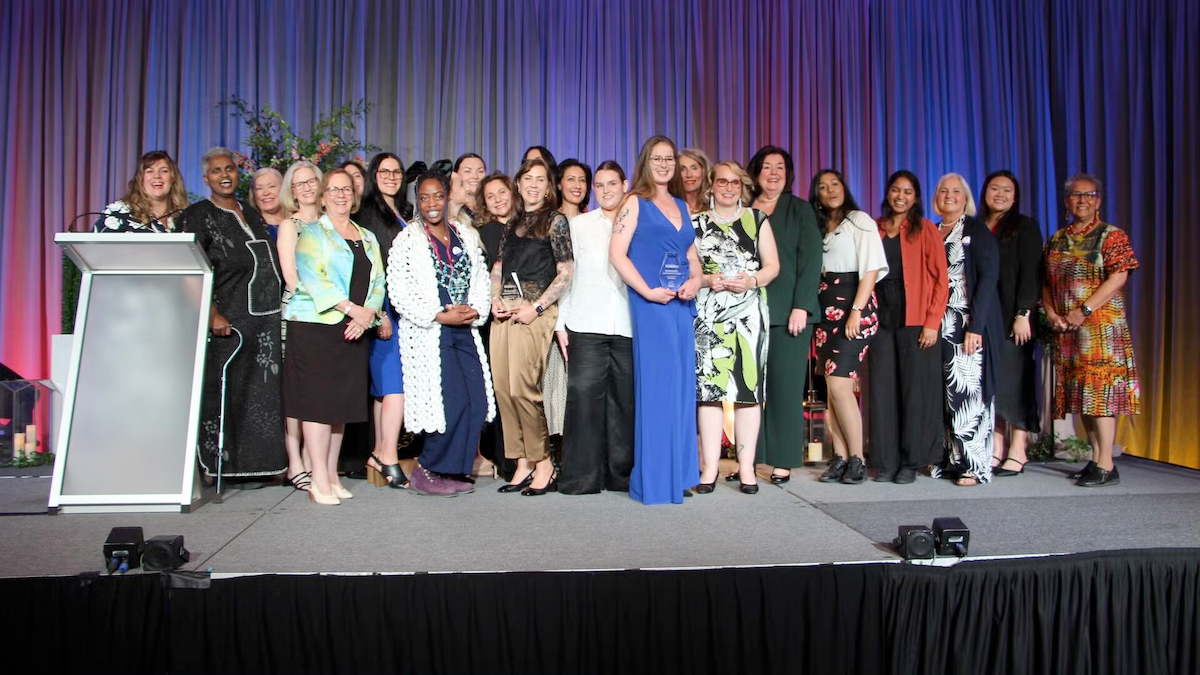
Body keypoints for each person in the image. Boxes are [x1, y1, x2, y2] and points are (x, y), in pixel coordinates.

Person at [179, 148, 286, 481]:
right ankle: (220, 466)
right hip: (229, 320)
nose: (224, 175)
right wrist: (211, 312)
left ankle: (263, 467)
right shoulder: (197, 215)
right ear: (206, 177)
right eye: (216, 171)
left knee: (263, 397)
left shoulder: (251, 213)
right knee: (226, 393)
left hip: (264, 322)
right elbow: (189, 270)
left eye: (229, 169)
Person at [283, 168, 387, 504]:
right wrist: (352, 309)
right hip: (316, 326)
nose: (341, 195)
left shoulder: (368, 236)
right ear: (324, 196)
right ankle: (317, 480)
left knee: (340, 407)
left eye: (346, 190)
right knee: (318, 406)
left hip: (353, 329)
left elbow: (378, 283)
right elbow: (313, 279)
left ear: (354, 197)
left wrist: (367, 314)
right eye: (333, 189)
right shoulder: (312, 233)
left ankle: (330, 473)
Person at [389, 172, 495, 496]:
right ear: (417, 202)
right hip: (431, 332)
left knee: (476, 401)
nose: (432, 204)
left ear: (447, 197)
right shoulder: (407, 240)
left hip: (465, 329)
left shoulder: (464, 233)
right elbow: (399, 292)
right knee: (449, 404)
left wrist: (475, 309)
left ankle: (452, 470)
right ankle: (427, 469)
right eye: (424, 197)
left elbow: (481, 279)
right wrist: (438, 314)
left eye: (437, 196)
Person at [609, 135, 702, 505]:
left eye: (669, 159)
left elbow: (692, 255)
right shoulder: (634, 202)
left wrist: (696, 280)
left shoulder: (681, 203)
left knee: (680, 390)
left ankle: (678, 475)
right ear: (646, 161)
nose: (664, 164)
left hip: (680, 306)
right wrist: (647, 292)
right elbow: (617, 255)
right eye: (657, 158)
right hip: (652, 305)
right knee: (658, 390)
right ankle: (655, 480)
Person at [1044, 174, 1140, 488]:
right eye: (1075, 195)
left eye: (1089, 195)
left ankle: (1106, 462)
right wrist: (1052, 313)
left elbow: (1119, 277)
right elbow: (1045, 282)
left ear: (1098, 201)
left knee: (1100, 394)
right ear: (1066, 201)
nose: (1082, 200)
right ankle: (1097, 459)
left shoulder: (1111, 235)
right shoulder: (1057, 238)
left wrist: (1083, 310)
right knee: (1082, 396)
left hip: (1100, 327)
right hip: (1068, 328)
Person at [693, 161, 780, 494]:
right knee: (709, 393)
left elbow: (772, 266)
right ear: (711, 185)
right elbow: (690, 271)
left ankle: (747, 469)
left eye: (734, 183)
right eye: (722, 182)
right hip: (709, 313)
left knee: (747, 392)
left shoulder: (757, 220)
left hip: (748, 314)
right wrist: (707, 279)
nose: (728, 188)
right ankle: (710, 469)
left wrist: (752, 280)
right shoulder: (696, 223)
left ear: (742, 186)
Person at [489, 158, 574, 495]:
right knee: (505, 388)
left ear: (548, 186)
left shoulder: (556, 221)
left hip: (535, 312)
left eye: (541, 179)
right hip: (505, 311)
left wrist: (536, 308)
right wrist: (495, 298)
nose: (534, 185)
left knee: (524, 387)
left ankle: (544, 463)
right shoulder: (512, 223)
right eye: (529, 179)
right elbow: (498, 265)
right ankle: (521, 460)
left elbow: (566, 272)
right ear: (519, 184)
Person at [555, 160, 635, 494]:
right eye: (598, 185)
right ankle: (580, 477)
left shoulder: (639, 223)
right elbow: (567, 278)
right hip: (585, 323)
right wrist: (561, 323)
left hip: (629, 325)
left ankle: (622, 476)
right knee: (583, 401)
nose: (605, 191)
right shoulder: (579, 225)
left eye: (611, 184)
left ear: (625, 185)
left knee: (624, 403)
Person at [746, 145, 822, 484]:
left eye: (780, 167)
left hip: (788, 311)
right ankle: (751, 458)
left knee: (786, 389)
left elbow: (811, 262)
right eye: (766, 167)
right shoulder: (743, 210)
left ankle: (784, 459)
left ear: (788, 174)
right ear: (756, 173)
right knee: (750, 390)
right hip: (746, 312)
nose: (773, 173)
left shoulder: (800, 210)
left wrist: (802, 306)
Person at [868, 171, 948, 484]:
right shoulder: (873, 227)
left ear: (916, 197)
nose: (901, 196)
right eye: (895, 190)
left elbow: (942, 280)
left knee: (915, 393)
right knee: (883, 389)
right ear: (887, 192)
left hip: (915, 316)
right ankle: (885, 460)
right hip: (880, 316)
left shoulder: (926, 229)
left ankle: (910, 462)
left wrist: (932, 323)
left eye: (908, 191)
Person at [810, 169, 888, 485]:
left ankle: (857, 458)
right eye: (823, 186)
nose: (830, 190)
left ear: (845, 187)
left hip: (853, 307)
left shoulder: (860, 221)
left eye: (835, 184)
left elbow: (870, 269)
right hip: (825, 311)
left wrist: (855, 310)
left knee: (842, 386)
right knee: (833, 389)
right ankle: (839, 458)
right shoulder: (819, 227)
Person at [930, 173, 1002, 486]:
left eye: (956, 191)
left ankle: (975, 465)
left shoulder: (976, 230)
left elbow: (987, 281)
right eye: (943, 190)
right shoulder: (931, 231)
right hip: (936, 326)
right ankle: (948, 462)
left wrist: (977, 327)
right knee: (943, 397)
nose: (949, 195)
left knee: (968, 394)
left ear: (965, 197)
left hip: (966, 325)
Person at [979, 170, 1043, 477]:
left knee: (1016, 383)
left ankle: (1019, 448)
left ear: (1015, 197)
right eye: (994, 188)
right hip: (984, 319)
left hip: (1013, 317)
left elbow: (1032, 274)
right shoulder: (977, 226)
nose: (1000, 194)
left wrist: (1024, 313)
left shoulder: (1025, 226)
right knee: (993, 385)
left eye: (1007, 190)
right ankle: (996, 447)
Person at [356, 152, 409, 489]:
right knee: (394, 386)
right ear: (373, 175)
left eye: (397, 171)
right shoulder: (369, 214)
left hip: (401, 305)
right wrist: (381, 313)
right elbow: (372, 271)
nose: (391, 176)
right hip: (384, 306)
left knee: (383, 389)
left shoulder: (401, 213)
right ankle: (389, 455)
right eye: (384, 171)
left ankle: (378, 451)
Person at [276, 161, 323, 489]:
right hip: (301, 314)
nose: (306, 187)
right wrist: (325, 303)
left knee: (321, 391)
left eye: (311, 182)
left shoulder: (330, 224)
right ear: (291, 190)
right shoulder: (289, 226)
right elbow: (291, 278)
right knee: (297, 390)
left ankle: (313, 456)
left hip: (332, 315)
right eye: (299, 183)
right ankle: (295, 461)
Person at [476, 172, 519, 480]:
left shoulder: (527, 226)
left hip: (528, 314)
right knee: (504, 390)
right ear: (485, 204)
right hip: (499, 317)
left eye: (501, 192)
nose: (498, 199)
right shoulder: (489, 232)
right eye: (490, 196)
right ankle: (509, 460)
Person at [95, 150, 188, 232]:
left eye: (164, 171)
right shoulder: (118, 214)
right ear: (140, 179)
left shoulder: (186, 217)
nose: (157, 176)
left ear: (173, 179)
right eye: (149, 171)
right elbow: (94, 248)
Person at [249, 168, 286, 240]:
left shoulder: (299, 223)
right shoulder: (251, 228)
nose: (266, 193)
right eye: (259, 188)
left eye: (271, 186)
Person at [450, 153, 487, 224]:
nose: (475, 176)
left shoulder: (492, 207)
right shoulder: (449, 211)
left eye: (480, 171)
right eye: (467, 171)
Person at [679, 148, 713, 215]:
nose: (689, 175)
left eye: (694, 168)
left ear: (704, 171)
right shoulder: (670, 205)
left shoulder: (714, 205)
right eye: (682, 169)